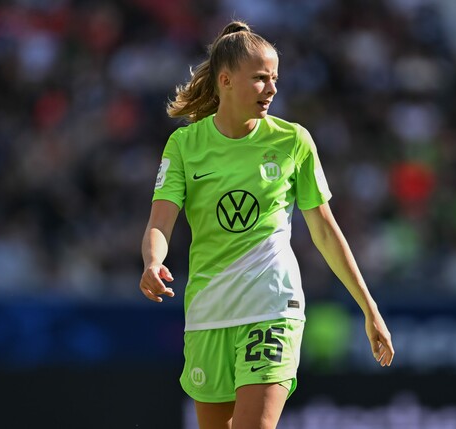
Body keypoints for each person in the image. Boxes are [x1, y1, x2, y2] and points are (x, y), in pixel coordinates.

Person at [139, 20, 394, 429]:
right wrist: (153, 262)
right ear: (225, 80)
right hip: (208, 311)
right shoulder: (184, 145)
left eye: (275, 78)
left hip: (272, 306)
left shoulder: (293, 141)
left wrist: (369, 307)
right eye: (260, 78)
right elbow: (160, 222)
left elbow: (325, 231)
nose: (272, 88)